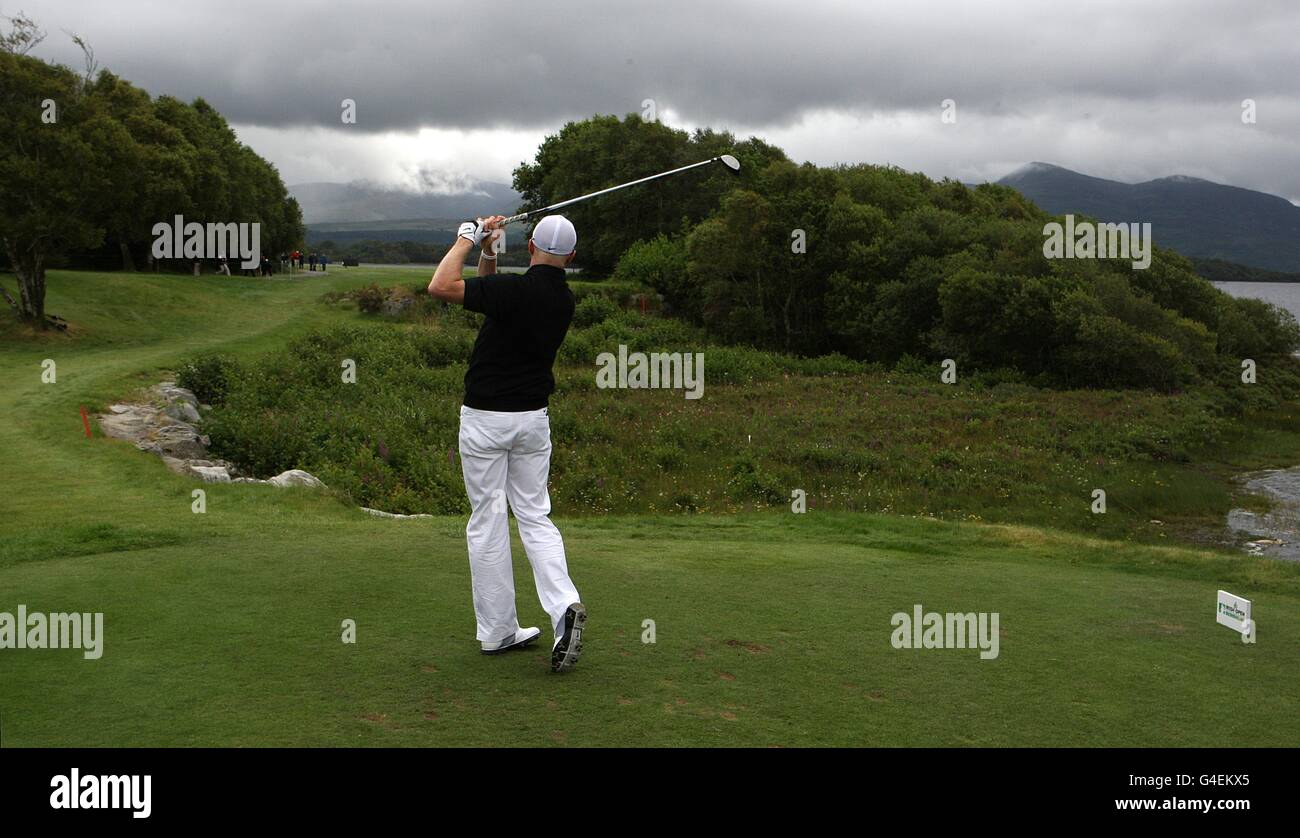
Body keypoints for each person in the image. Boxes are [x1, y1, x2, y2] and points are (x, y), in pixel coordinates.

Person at [428, 214, 585, 673]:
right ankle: (564, 607)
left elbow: (440, 286)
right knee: (535, 516)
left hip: (485, 421)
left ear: (532, 245)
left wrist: (465, 237)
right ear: (571, 257)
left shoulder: (515, 292)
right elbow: (488, 296)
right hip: (532, 422)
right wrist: (489, 251)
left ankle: (497, 631)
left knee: (489, 521)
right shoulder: (562, 299)